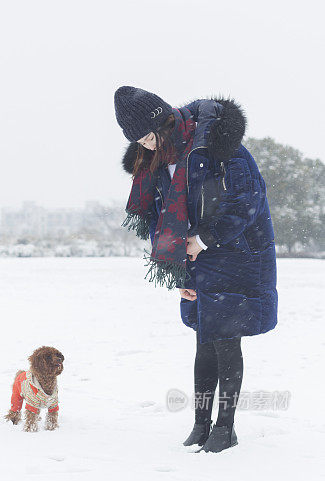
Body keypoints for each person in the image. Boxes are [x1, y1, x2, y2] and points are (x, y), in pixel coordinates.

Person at [114, 86, 278, 453]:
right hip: (196, 258)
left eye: (148, 137)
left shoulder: (220, 147)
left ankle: (226, 427)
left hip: (236, 254)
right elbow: (164, 220)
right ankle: (201, 424)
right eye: (139, 141)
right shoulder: (159, 162)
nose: (147, 147)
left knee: (225, 339)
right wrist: (180, 274)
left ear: (163, 124)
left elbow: (247, 202)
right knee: (205, 339)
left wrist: (204, 238)